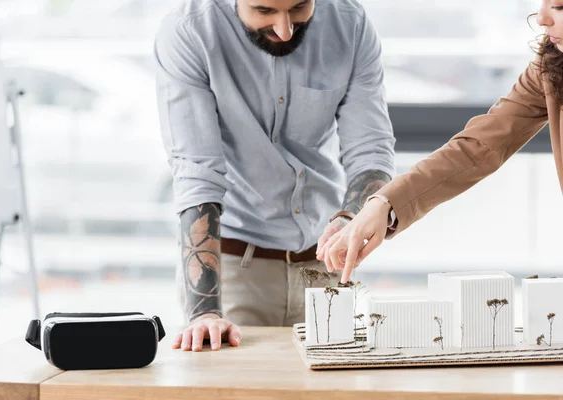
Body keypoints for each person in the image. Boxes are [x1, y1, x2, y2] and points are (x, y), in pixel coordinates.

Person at [154, 0, 396, 351]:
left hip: (326, 261)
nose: (285, 30)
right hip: (234, 270)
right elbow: (197, 170)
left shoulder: (350, 24)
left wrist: (350, 219)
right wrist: (205, 313)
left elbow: (370, 150)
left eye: (299, 8)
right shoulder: (189, 31)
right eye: (264, 11)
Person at [317, 0, 563, 285]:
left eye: (559, 7)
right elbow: (478, 147)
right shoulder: (550, 65)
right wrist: (384, 205)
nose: (542, 19)